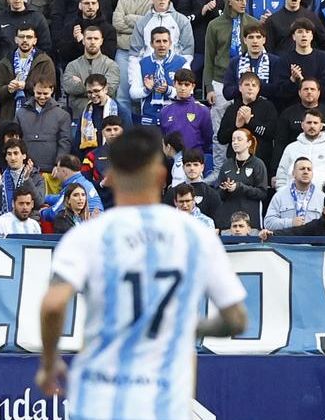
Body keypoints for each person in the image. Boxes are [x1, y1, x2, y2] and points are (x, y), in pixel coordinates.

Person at [36, 127, 248, 420]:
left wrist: (49, 363)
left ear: (110, 177)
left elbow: (52, 305)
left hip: (98, 400)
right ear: (162, 178)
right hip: (163, 402)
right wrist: (184, 325)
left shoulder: (88, 235)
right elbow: (236, 320)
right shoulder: (195, 236)